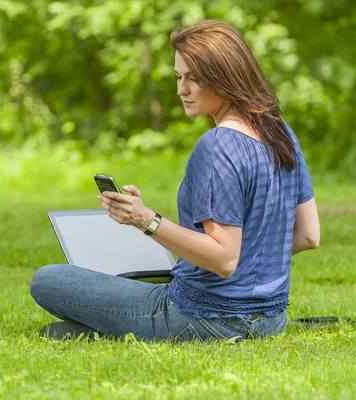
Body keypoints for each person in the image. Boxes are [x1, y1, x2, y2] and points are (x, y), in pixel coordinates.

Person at [30, 20, 320, 342]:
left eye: (192, 79)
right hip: (270, 319)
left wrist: (145, 220)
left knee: (47, 280)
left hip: (202, 317)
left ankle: (105, 329)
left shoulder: (218, 146)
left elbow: (224, 259)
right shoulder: (280, 132)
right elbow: (308, 236)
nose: (181, 89)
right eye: (179, 77)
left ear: (223, 76)